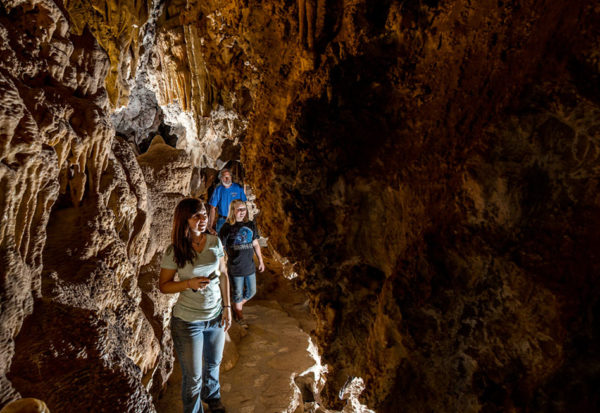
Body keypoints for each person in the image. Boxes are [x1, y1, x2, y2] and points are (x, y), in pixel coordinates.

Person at [159, 198, 232, 413]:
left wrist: (227, 308)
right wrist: (188, 284)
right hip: (189, 321)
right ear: (184, 220)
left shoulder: (214, 242)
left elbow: (224, 274)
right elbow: (164, 286)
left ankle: (213, 397)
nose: (202, 219)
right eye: (195, 216)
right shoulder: (174, 251)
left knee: (213, 363)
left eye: (203, 214)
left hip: (216, 315)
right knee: (193, 377)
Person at [218, 199, 265, 327]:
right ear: (233, 211)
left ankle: (235, 305)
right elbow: (220, 247)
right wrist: (221, 265)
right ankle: (239, 316)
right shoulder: (226, 228)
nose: (242, 212)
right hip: (235, 267)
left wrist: (260, 260)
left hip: (249, 266)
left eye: (243, 209)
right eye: (239, 209)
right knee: (238, 293)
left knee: (251, 292)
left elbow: (255, 243)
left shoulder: (250, 224)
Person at [208, 168, 247, 235]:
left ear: (231, 177)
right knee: (222, 243)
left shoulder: (238, 188)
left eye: (228, 176)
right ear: (221, 178)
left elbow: (244, 204)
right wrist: (210, 226)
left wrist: (245, 220)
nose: (227, 179)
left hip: (236, 219)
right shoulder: (218, 190)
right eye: (224, 177)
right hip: (223, 220)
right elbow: (212, 208)